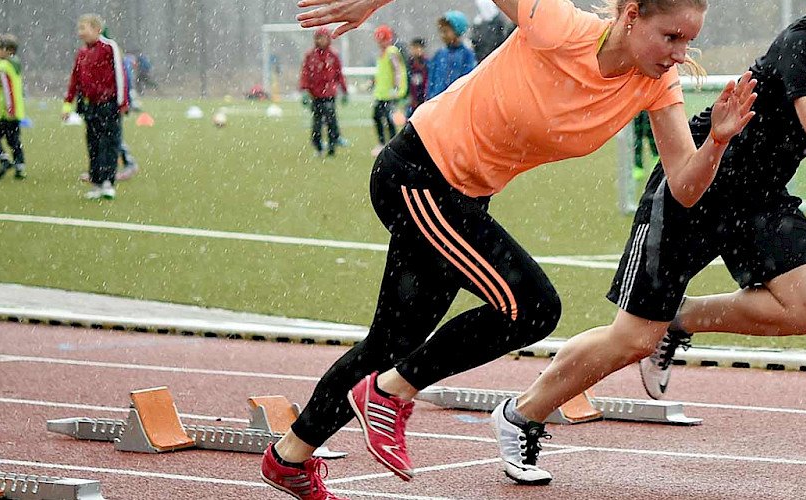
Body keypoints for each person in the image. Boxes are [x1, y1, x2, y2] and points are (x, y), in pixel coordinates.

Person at [261, 0, 756, 496]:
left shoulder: (656, 83)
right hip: (418, 175)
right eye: (671, 37)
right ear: (630, 16)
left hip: (463, 197)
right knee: (532, 309)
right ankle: (391, 394)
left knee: (390, 345)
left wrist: (716, 141)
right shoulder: (559, 24)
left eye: (688, 41)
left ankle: (290, 459)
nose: (680, 53)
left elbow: (685, 188)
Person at [505, 0, 806, 483]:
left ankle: (682, 316)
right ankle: (522, 415)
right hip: (696, 180)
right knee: (632, 338)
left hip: (759, 196)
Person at [64, 14, 129, 200]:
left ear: (96, 29)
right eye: (79, 29)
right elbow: (75, 79)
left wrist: (122, 102)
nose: (80, 33)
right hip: (90, 106)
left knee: (110, 143)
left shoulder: (109, 47)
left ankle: (108, 182)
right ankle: (97, 181)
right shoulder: (82, 53)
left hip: (108, 105)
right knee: (93, 144)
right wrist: (68, 102)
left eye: (84, 28)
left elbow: (120, 74)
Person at [300, 27, 349, 157]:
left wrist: (344, 91)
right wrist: (304, 90)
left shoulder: (333, 56)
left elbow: (339, 74)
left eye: (324, 38)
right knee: (316, 123)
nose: (322, 40)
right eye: (319, 38)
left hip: (329, 94)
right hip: (315, 95)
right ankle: (318, 146)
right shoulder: (310, 56)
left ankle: (332, 146)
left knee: (331, 120)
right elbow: (305, 74)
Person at [0, 34, 27, 180]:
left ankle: (4, 160)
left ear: (8, 50)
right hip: (15, 110)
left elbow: (7, 88)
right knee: (14, 140)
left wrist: (9, 108)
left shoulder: (3, 66)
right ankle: (20, 167)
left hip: (4, 111)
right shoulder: (14, 64)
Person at [371, 25, 408, 152]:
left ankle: (392, 143)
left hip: (389, 93)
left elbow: (397, 70)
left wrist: (396, 88)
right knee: (377, 116)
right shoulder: (383, 53)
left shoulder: (391, 52)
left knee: (388, 119)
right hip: (381, 93)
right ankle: (383, 142)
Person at [425, 10, 476, 100]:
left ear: (457, 31)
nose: (442, 35)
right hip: (437, 102)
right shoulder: (439, 54)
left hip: (457, 102)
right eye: (441, 31)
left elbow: (469, 81)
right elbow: (431, 81)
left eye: (446, 31)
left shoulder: (466, 55)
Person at [405, 38, 430, 116]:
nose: (416, 50)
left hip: (424, 97)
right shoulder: (409, 63)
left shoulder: (427, 63)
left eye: (418, 48)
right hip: (412, 98)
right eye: (414, 48)